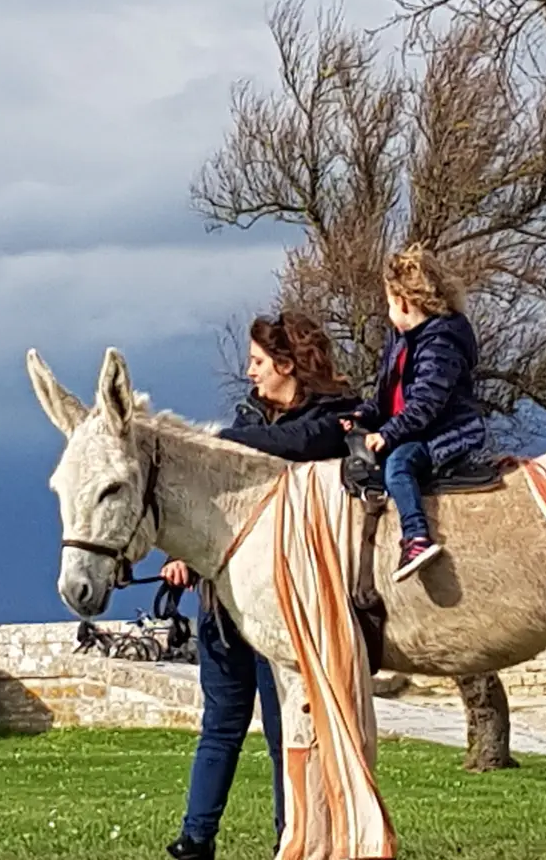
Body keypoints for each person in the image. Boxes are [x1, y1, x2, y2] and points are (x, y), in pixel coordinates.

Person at [165, 312, 362, 860]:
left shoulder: (337, 416)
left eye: (257, 362)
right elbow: (217, 512)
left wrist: (221, 441)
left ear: (287, 364)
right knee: (220, 728)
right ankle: (195, 837)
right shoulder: (248, 417)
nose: (249, 374)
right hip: (225, 608)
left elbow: (300, 442)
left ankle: (291, 836)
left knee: (286, 734)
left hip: (291, 606)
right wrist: (183, 556)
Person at [343, 244, 487, 581]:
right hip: (410, 427)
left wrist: (389, 435)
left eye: (389, 302)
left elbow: (425, 405)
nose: (388, 309)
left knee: (398, 466)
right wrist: (363, 416)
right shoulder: (401, 340)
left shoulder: (441, 342)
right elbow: (386, 395)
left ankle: (417, 537)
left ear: (404, 301)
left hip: (441, 431)